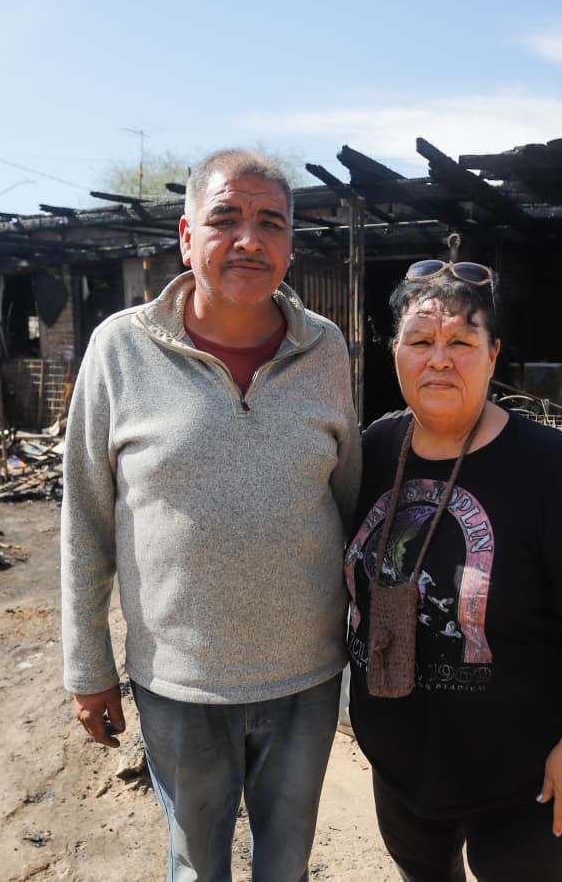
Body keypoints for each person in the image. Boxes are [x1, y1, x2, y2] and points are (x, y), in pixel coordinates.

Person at [61, 148, 361, 881]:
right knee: (197, 865)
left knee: (286, 864)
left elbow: (348, 499)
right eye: (226, 218)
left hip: (306, 675)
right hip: (179, 681)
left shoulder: (325, 349)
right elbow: (86, 520)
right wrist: (88, 665)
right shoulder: (120, 349)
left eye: (271, 223)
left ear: (290, 244)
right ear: (186, 236)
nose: (249, 240)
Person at [344, 260, 562, 882]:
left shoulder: (551, 469)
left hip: (523, 778)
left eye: (461, 341)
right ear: (394, 352)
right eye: (420, 341)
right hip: (402, 766)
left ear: (493, 354)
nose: (439, 360)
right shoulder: (373, 450)